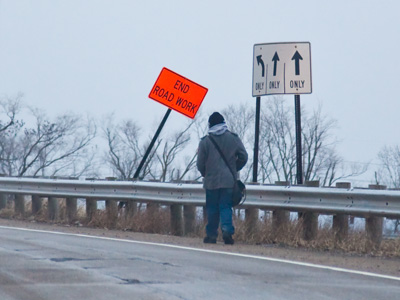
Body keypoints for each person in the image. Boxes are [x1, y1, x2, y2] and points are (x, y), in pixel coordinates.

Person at [197, 112, 248, 245]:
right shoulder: (233, 138)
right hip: (228, 181)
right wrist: (234, 169)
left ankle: (212, 235)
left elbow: (200, 163)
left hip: (211, 181)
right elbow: (244, 156)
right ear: (223, 123)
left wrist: (205, 173)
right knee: (225, 206)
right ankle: (227, 232)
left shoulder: (205, 142)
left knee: (212, 208)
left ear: (210, 125)